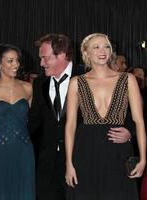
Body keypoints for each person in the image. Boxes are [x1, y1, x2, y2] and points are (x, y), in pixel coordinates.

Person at [28, 33, 133, 200]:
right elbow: (33, 121)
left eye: (45, 58)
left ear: (62, 55)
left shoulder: (88, 76)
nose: (41, 63)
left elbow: (124, 110)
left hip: (85, 158)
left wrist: (129, 132)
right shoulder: (39, 83)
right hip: (48, 164)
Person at [65, 33, 146, 199]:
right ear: (86, 53)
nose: (102, 51)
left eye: (106, 46)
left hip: (118, 151)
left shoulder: (128, 79)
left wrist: (143, 159)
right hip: (85, 151)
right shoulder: (76, 82)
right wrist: (69, 163)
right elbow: (70, 126)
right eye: (96, 47)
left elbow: (139, 121)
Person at [0, 43, 35, 199]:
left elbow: (31, 121)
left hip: (24, 150)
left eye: (17, 60)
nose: (16, 65)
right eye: (10, 61)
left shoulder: (28, 88)